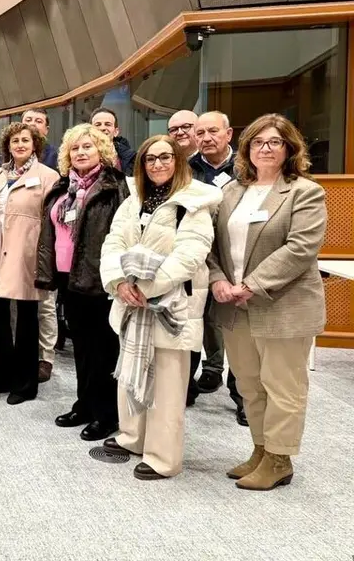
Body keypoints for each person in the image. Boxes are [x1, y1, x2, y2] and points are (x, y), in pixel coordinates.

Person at [206, 114, 326, 491]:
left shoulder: (304, 192)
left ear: (290, 147)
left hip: (282, 305)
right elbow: (211, 245)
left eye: (275, 142)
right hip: (235, 305)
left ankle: (279, 459)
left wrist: (252, 285)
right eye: (258, 142)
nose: (265, 148)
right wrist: (217, 279)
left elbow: (300, 248)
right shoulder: (232, 192)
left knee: (283, 386)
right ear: (247, 149)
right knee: (250, 384)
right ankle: (260, 449)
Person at [100, 135, 221, 480]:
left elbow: (190, 255)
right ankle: (132, 437)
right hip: (131, 303)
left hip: (171, 306)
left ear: (178, 161)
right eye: (150, 159)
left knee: (167, 387)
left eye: (165, 157)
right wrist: (118, 283)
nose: (157, 164)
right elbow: (113, 242)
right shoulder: (134, 200)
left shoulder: (193, 202)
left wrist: (145, 289)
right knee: (131, 374)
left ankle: (162, 457)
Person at [36, 124, 129, 438]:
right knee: (82, 347)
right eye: (75, 148)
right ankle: (85, 404)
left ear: (101, 149)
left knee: (103, 348)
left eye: (87, 146)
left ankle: (107, 414)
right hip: (69, 278)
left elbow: (124, 234)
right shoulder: (64, 186)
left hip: (99, 279)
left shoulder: (114, 185)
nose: (81, 152)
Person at [0, 122, 59, 404]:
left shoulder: (48, 176)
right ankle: (1, 377)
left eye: (25, 140)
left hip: (27, 254)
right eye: (14, 140)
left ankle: (25, 385)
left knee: (27, 320)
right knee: (0, 317)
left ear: (35, 144)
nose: (19, 145)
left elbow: (51, 222)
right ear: (7, 145)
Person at [190, 111, 244, 423]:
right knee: (203, 316)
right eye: (200, 133)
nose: (206, 138)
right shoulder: (188, 168)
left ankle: (242, 392)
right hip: (199, 254)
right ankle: (211, 368)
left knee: (236, 325)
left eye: (213, 131)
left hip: (235, 254)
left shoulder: (245, 168)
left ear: (228, 134)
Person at [20, 107, 62, 373]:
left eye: (38, 121)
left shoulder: (57, 159)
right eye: (27, 120)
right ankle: (21, 353)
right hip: (16, 243)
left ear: (46, 128)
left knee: (45, 302)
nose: (33, 124)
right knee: (18, 303)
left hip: (46, 241)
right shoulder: (7, 161)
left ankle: (46, 357)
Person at [91, 107, 136, 172]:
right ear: (89, 130)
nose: (102, 128)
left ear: (116, 132)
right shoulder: (80, 155)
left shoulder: (132, 159)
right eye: (98, 124)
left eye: (108, 124)